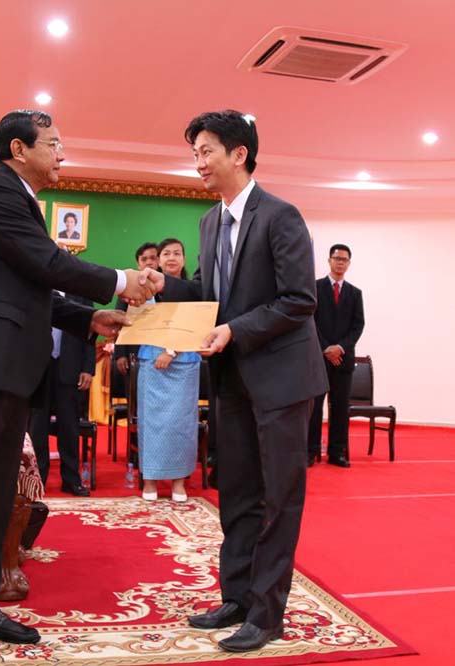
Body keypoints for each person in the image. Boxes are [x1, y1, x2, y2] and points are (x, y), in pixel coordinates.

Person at [0, 109, 162, 666]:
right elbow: (46, 263)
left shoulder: (21, 203)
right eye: (55, 143)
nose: (63, 154)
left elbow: (31, 284)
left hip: (8, 371)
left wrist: (89, 319)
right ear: (19, 149)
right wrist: (120, 282)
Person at [161, 110, 327, 653]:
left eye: (206, 151)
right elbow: (212, 291)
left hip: (282, 378)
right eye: (195, 154)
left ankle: (267, 613)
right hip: (231, 377)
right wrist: (160, 289)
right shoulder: (210, 222)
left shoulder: (281, 216)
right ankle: (235, 596)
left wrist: (235, 328)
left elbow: (300, 300)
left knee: (279, 498)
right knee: (235, 491)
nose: (199, 164)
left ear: (239, 154)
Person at [138, 238, 200, 502]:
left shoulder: (195, 289)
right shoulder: (145, 289)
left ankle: (178, 482)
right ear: (158, 260)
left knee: (181, 424)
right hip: (151, 361)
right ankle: (149, 480)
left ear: (184, 259)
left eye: (177, 253)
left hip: (184, 363)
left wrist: (172, 351)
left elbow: (198, 324)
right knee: (151, 423)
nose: (172, 257)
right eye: (166, 254)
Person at [27, 290, 96, 497]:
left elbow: (90, 331)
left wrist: (87, 368)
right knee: (37, 427)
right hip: (39, 367)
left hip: (70, 366)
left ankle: (71, 480)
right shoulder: (37, 286)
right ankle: (38, 479)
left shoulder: (80, 292)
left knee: (69, 426)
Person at [308, 244, 365, 468]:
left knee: (340, 408)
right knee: (314, 409)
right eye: (336, 258)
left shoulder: (355, 293)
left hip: (343, 360)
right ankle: (310, 451)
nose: (340, 262)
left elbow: (358, 325)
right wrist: (325, 348)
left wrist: (340, 347)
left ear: (349, 264)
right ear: (329, 260)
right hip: (318, 359)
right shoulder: (314, 288)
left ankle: (337, 452)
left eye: (344, 259)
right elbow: (309, 321)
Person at [113, 242, 159, 376]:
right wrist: (120, 354)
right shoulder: (128, 288)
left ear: (159, 260)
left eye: (153, 258)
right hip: (134, 353)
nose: (149, 262)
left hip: (161, 354)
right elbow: (119, 320)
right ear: (138, 264)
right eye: (144, 259)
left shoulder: (168, 289)